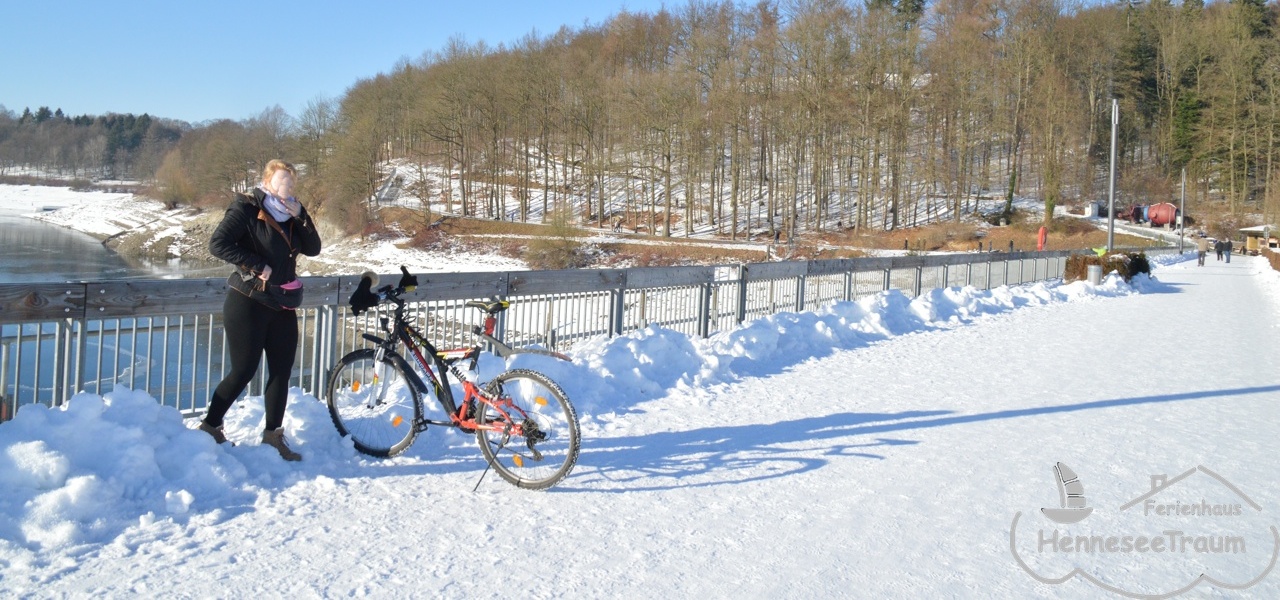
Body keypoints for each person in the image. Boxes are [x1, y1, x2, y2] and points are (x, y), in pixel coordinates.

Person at [198, 160, 322, 461]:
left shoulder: (292, 214)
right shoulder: (246, 208)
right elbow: (218, 244)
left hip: (281, 303)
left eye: (292, 182)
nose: (288, 187)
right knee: (243, 370)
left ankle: (273, 436)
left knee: (281, 370)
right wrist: (256, 264)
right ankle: (210, 427)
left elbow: (314, 248)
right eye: (282, 180)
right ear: (267, 181)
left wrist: (302, 216)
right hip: (248, 301)